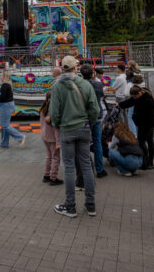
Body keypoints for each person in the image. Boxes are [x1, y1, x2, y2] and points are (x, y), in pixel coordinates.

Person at [50, 56, 100, 219]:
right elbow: (95, 109)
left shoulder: (57, 86)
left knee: (69, 168)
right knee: (86, 165)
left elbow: (54, 112)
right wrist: (89, 123)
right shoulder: (85, 84)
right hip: (84, 128)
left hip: (67, 129)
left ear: (62, 68)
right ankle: (90, 205)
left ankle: (70, 206)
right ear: (75, 67)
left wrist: (59, 125)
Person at [119, 85, 154, 170]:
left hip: (146, 124)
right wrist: (120, 105)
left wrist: (135, 118)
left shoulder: (146, 100)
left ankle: (146, 163)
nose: (134, 98)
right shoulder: (141, 95)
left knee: (142, 142)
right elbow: (130, 101)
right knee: (149, 141)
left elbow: (148, 114)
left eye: (135, 96)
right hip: (148, 123)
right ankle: (150, 162)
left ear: (139, 93)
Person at [81, 64, 107, 178]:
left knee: (84, 143)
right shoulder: (98, 84)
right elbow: (101, 96)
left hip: (84, 117)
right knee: (97, 142)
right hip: (97, 115)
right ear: (93, 73)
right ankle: (100, 169)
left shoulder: (79, 85)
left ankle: (87, 169)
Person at [0, 71, 26, 148]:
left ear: (4, 77)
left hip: (6, 106)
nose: (0, 77)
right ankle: (4, 143)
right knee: (5, 125)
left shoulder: (4, 85)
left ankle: (20, 137)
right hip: (9, 105)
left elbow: (2, 98)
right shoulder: (8, 84)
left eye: (1, 75)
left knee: (4, 126)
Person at [40, 89, 62, 186]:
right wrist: (58, 142)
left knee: (48, 156)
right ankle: (53, 178)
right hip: (53, 138)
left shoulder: (43, 109)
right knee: (56, 158)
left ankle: (46, 175)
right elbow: (55, 129)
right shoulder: (52, 112)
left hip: (45, 136)